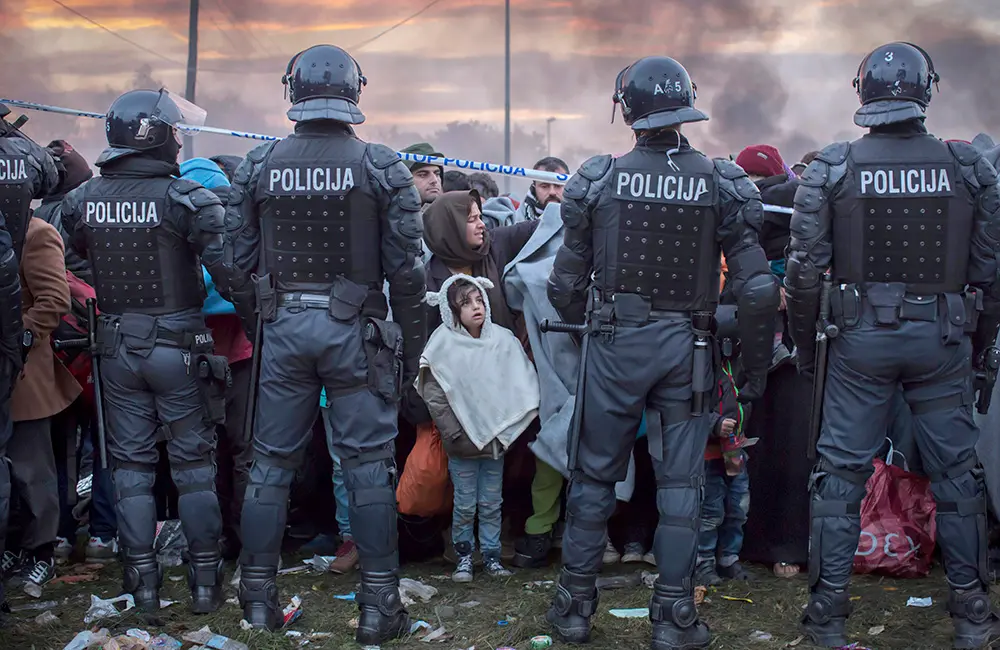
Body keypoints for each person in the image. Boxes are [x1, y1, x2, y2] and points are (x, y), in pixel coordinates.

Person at [544, 56, 779, 650]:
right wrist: (750, 371)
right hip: (690, 346)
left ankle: (573, 610)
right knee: (681, 486)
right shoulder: (723, 181)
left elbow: (564, 285)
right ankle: (674, 618)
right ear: (686, 104)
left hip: (616, 342)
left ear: (627, 108)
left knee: (593, 475)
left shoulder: (598, 180)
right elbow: (755, 288)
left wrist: (587, 334)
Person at [785, 42, 1000, 649]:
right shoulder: (968, 167)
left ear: (864, 93)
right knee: (959, 478)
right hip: (943, 336)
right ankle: (972, 615)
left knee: (839, 478)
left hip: (859, 342)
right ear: (925, 90)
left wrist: (808, 348)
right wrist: (977, 343)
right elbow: (989, 269)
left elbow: (804, 273)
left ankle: (827, 616)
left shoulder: (833, 166)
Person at [222, 45, 427, 645]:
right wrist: (410, 351)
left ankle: (257, 599)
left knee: (269, 464)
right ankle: (378, 608)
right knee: (367, 466)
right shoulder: (381, 165)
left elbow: (234, 266)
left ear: (295, 91)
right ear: (355, 92)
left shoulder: (258, 166)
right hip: (358, 331)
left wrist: (264, 319)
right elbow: (409, 275)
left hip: (284, 327)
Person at [60, 89, 230, 613]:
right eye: (174, 130)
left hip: (115, 349)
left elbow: (72, 260)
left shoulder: (82, 199)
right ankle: (204, 587)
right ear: (154, 135)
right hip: (179, 345)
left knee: (130, 468)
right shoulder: (189, 199)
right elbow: (229, 272)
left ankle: (144, 586)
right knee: (193, 466)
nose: (180, 139)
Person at [417, 275, 539, 582]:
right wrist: (454, 432)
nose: (476, 308)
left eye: (479, 300)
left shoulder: (501, 340)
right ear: (451, 310)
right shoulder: (442, 344)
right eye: (465, 303)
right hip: (462, 442)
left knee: (491, 502)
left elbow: (518, 381)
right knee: (465, 503)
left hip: (495, 441)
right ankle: (463, 557)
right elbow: (434, 392)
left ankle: (492, 556)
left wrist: (506, 427)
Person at [7, 216, 78, 587]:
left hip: (23, 373)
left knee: (32, 470)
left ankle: (41, 551)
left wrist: (15, 338)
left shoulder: (34, 232)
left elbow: (54, 300)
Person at [514, 157, 569, 222]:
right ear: (534, 187)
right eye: (544, 186)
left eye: (558, 186)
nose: (552, 192)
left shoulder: (581, 222)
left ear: (568, 186)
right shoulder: (514, 221)